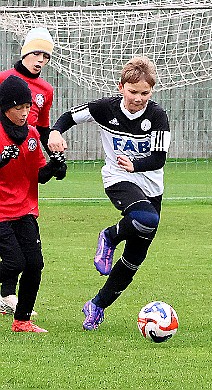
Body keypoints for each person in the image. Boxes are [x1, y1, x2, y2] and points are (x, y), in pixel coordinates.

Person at [48, 56, 171, 330]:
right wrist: (56, 132)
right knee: (146, 219)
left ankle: (96, 306)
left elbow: (159, 159)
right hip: (118, 179)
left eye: (145, 93)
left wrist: (135, 164)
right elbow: (70, 116)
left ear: (152, 91)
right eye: (133, 92)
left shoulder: (157, 115)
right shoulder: (104, 108)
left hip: (151, 187)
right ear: (121, 87)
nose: (138, 98)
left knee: (132, 263)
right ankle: (109, 236)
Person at [0, 27, 67, 315]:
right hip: (8, 149)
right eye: (37, 53)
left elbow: (41, 128)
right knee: (13, 256)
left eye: (46, 56)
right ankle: (6, 293)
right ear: (25, 52)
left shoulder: (46, 91)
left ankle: (12, 304)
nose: (41, 60)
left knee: (28, 255)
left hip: (26, 155)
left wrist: (52, 151)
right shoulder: (4, 80)